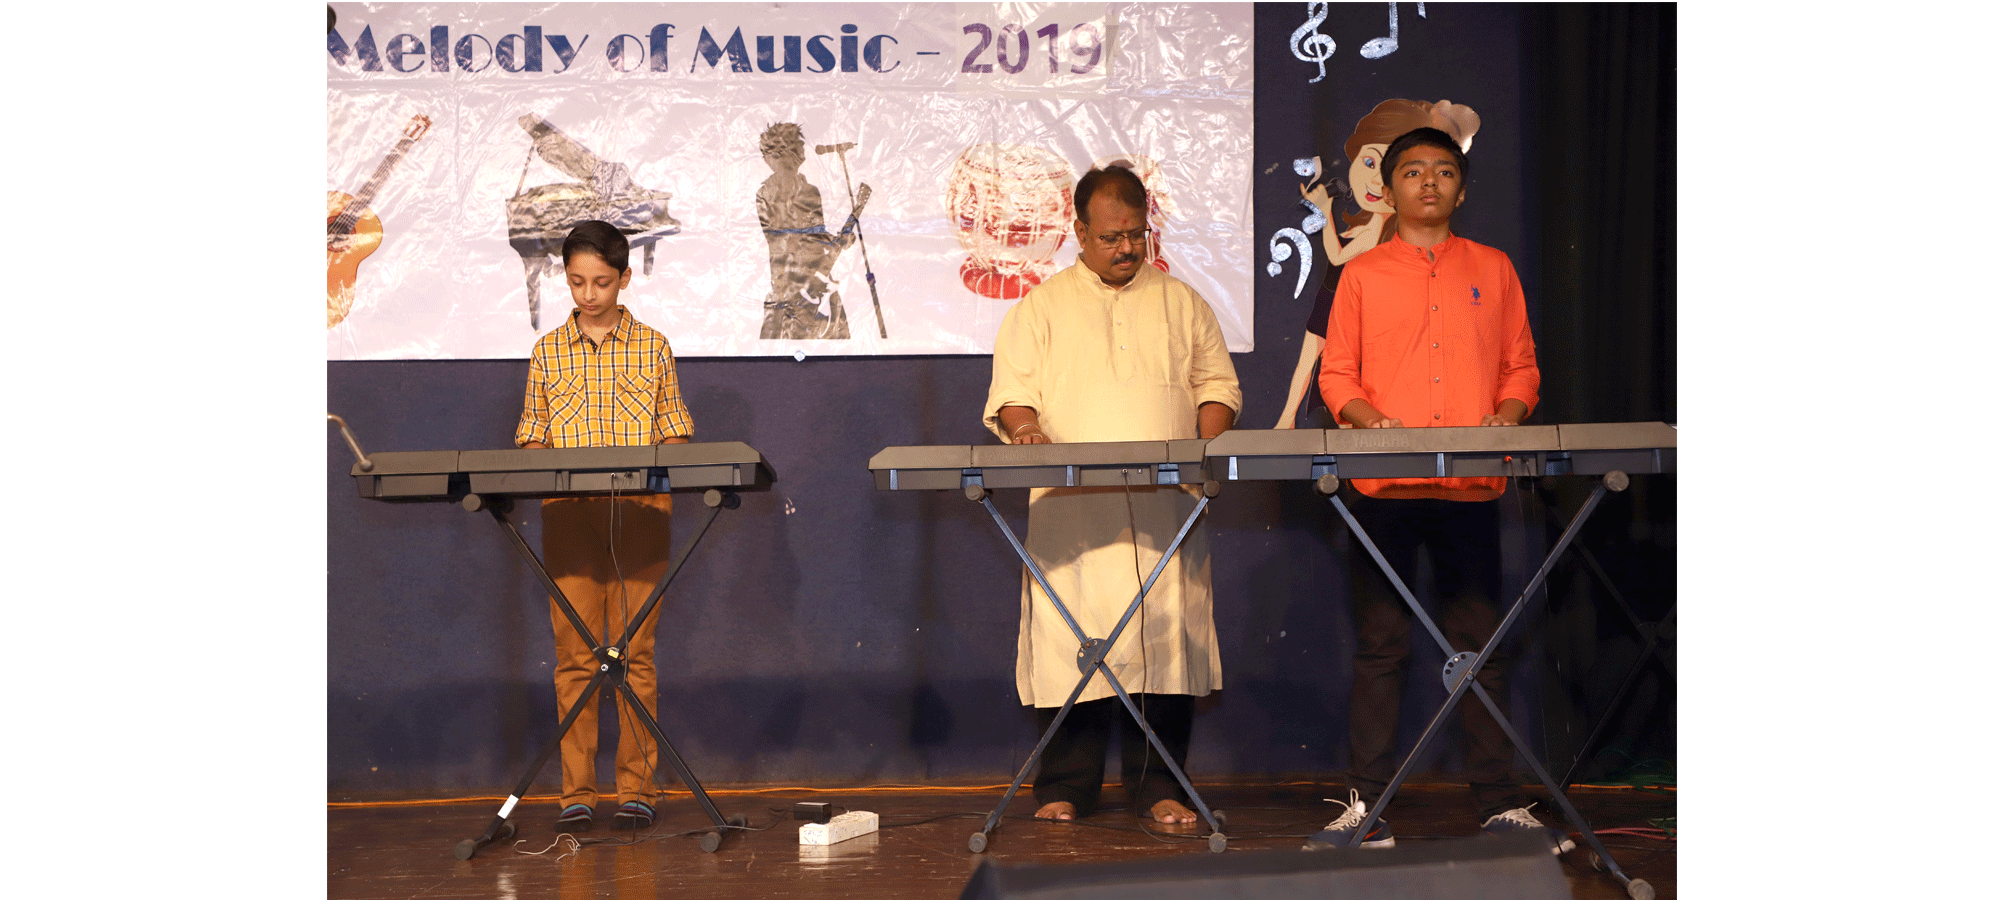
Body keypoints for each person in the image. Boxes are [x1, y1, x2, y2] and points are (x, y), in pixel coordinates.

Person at [1304, 128, 1570, 853]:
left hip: (1469, 486)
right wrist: (1371, 422)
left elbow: (1521, 365)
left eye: (1444, 171)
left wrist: (1506, 415)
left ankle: (1501, 806)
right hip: (1383, 485)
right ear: (1388, 192)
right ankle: (1366, 809)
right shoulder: (1362, 274)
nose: (1429, 182)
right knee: (1380, 647)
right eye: (1413, 172)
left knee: (1479, 646)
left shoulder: (1494, 267)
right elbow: (1337, 374)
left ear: (1462, 188)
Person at [983, 164, 1242, 825]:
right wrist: (1027, 429)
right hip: (1074, 513)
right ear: (1079, 232)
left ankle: (1160, 789)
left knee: (1166, 645)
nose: (1127, 248)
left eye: (1136, 235)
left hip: (1165, 507)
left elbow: (1217, 387)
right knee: (1073, 644)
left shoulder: (1183, 303)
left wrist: (1202, 446)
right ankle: (1066, 788)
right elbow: (1012, 394)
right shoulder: (1040, 308)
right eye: (1110, 237)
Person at [515, 220, 694, 834]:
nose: (588, 295)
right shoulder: (547, 352)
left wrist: (653, 466)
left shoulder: (653, 347)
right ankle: (578, 793)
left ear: (624, 278)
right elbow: (532, 437)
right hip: (570, 514)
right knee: (575, 657)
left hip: (639, 512)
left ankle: (638, 789)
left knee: (634, 653)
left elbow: (675, 432)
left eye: (601, 282)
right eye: (576, 282)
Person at [1275, 99, 1480, 429]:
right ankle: (1288, 419)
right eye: (1368, 162)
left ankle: (1294, 419)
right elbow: (1341, 259)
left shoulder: (1487, 267)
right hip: (1334, 294)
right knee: (1319, 366)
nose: (1428, 182)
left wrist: (1324, 211)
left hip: (1347, 300)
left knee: (1335, 368)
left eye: (1442, 173)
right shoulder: (1365, 252)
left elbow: (1339, 256)